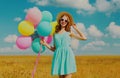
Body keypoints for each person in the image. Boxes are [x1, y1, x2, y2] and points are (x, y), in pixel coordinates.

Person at [40, 12, 87, 78]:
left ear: (68, 22)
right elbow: (54, 49)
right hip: (58, 57)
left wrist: (76, 28)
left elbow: (84, 38)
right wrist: (45, 44)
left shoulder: (69, 32)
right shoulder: (55, 34)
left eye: (66, 20)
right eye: (62, 19)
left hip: (68, 56)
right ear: (59, 20)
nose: (63, 21)